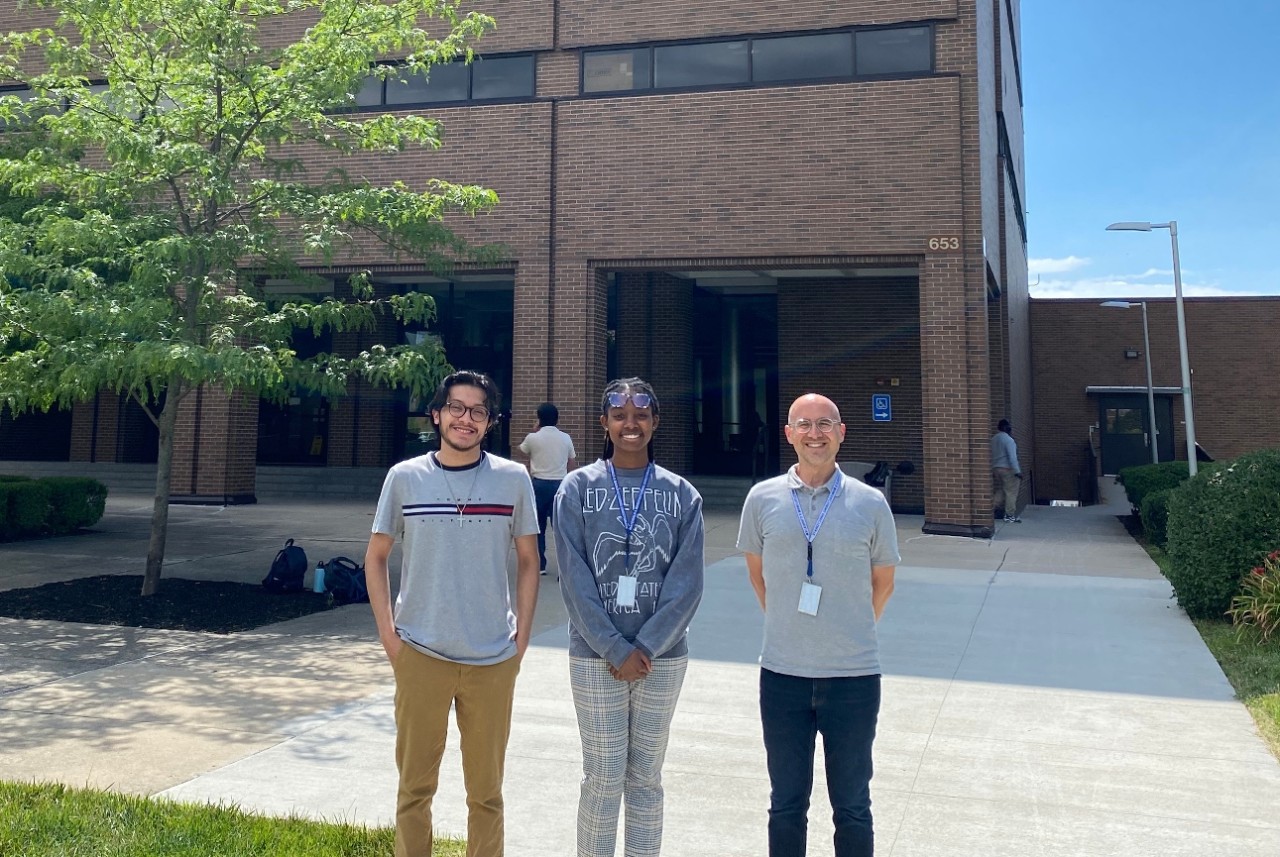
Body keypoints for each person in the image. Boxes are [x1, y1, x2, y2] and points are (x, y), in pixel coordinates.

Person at [365, 369, 541, 857]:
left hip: (492, 657)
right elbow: (375, 556)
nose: (467, 418)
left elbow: (531, 561)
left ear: (490, 423)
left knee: (486, 794)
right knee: (414, 791)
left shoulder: (512, 479)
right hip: (420, 653)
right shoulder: (404, 478)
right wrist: (389, 637)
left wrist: (520, 640)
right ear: (437, 415)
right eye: (457, 408)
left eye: (478, 411)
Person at [737, 393, 899, 857]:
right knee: (786, 805)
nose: (814, 433)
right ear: (788, 434)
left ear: (841, 432)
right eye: (803, 424)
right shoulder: (761, 499)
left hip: (853, 678)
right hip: (783, 675)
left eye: (825, 424)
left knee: (852, 806)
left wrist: (848, 631)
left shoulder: (870, 503)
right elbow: (757, 573)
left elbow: (882, 582)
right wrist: (793, 627)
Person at [554, 377, 705, 857]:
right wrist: (617, 648)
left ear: (655, 422)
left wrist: (645, 648)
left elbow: (686, 586)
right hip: (594, 656)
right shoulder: (576, 489)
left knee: (646, 776)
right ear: (605, 423)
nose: (630, 424)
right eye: (619, 415)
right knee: (602, 774)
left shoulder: (682, 495)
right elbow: (574, 579)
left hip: (662, 659)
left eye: (641, 415)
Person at [519, 401, 578, 574]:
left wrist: (535, 431)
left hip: (538, 484)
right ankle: (563, 567)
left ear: (539, 418)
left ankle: (541, 565)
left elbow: (521, 451)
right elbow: (572, 462)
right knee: (560, 528)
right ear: (557, 419)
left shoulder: (533, 438)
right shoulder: (565, 438)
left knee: (539, 527)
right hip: (560, 484)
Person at [990, 418, 1022, 523]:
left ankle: (990, 509)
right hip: (1007, 469)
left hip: (996, 469)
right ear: (1006, 428)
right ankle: (1009, 515)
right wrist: (1017, 471)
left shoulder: (993, 439)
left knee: (1002, 491)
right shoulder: (1009, 440)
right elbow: (1012, 457)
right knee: (1011, 492)